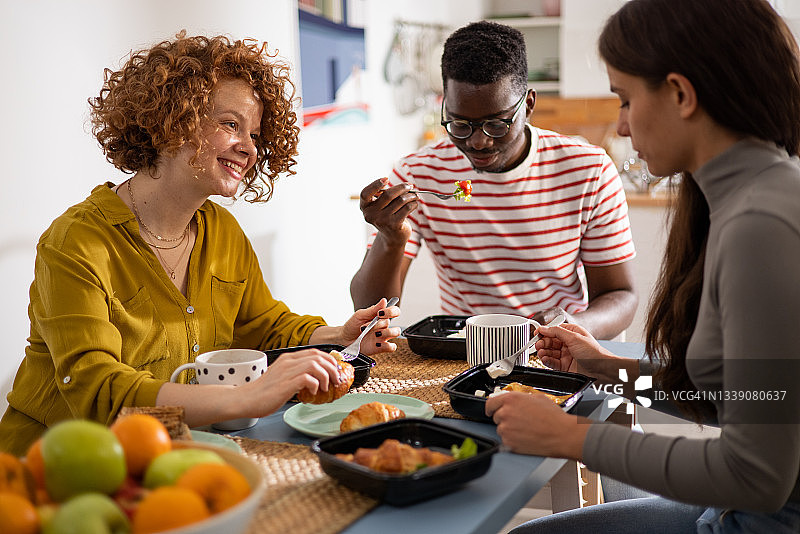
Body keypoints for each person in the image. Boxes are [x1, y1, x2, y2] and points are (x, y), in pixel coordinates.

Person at [0, 32, 401, 457]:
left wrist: (339, 334)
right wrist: (249, 397)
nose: (248, 148)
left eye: (254, 134)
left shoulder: (222, 230)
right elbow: (98, 393)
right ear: (173, 121)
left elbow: (263, 323)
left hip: (166, 455)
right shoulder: (76, 243)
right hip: (50, 468)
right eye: (230, 124)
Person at [486, 0, 800, 532]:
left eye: (626, 100)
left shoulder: (761, 224)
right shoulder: (753, 194)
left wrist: (571, 438)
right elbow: (742, 397)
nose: (622, 126)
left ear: (680, 94)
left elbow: (757, 475)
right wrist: (607, 369)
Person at [350, 21, 637, 340]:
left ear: (528, 104)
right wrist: (390, 238)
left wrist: (574, 325)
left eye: (496, 125)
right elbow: (369, 314)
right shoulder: (420, 174)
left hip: (558, 351)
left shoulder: (588, 170)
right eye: (460, 124)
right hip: (463, 357)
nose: (478, 142)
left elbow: (621, 295)